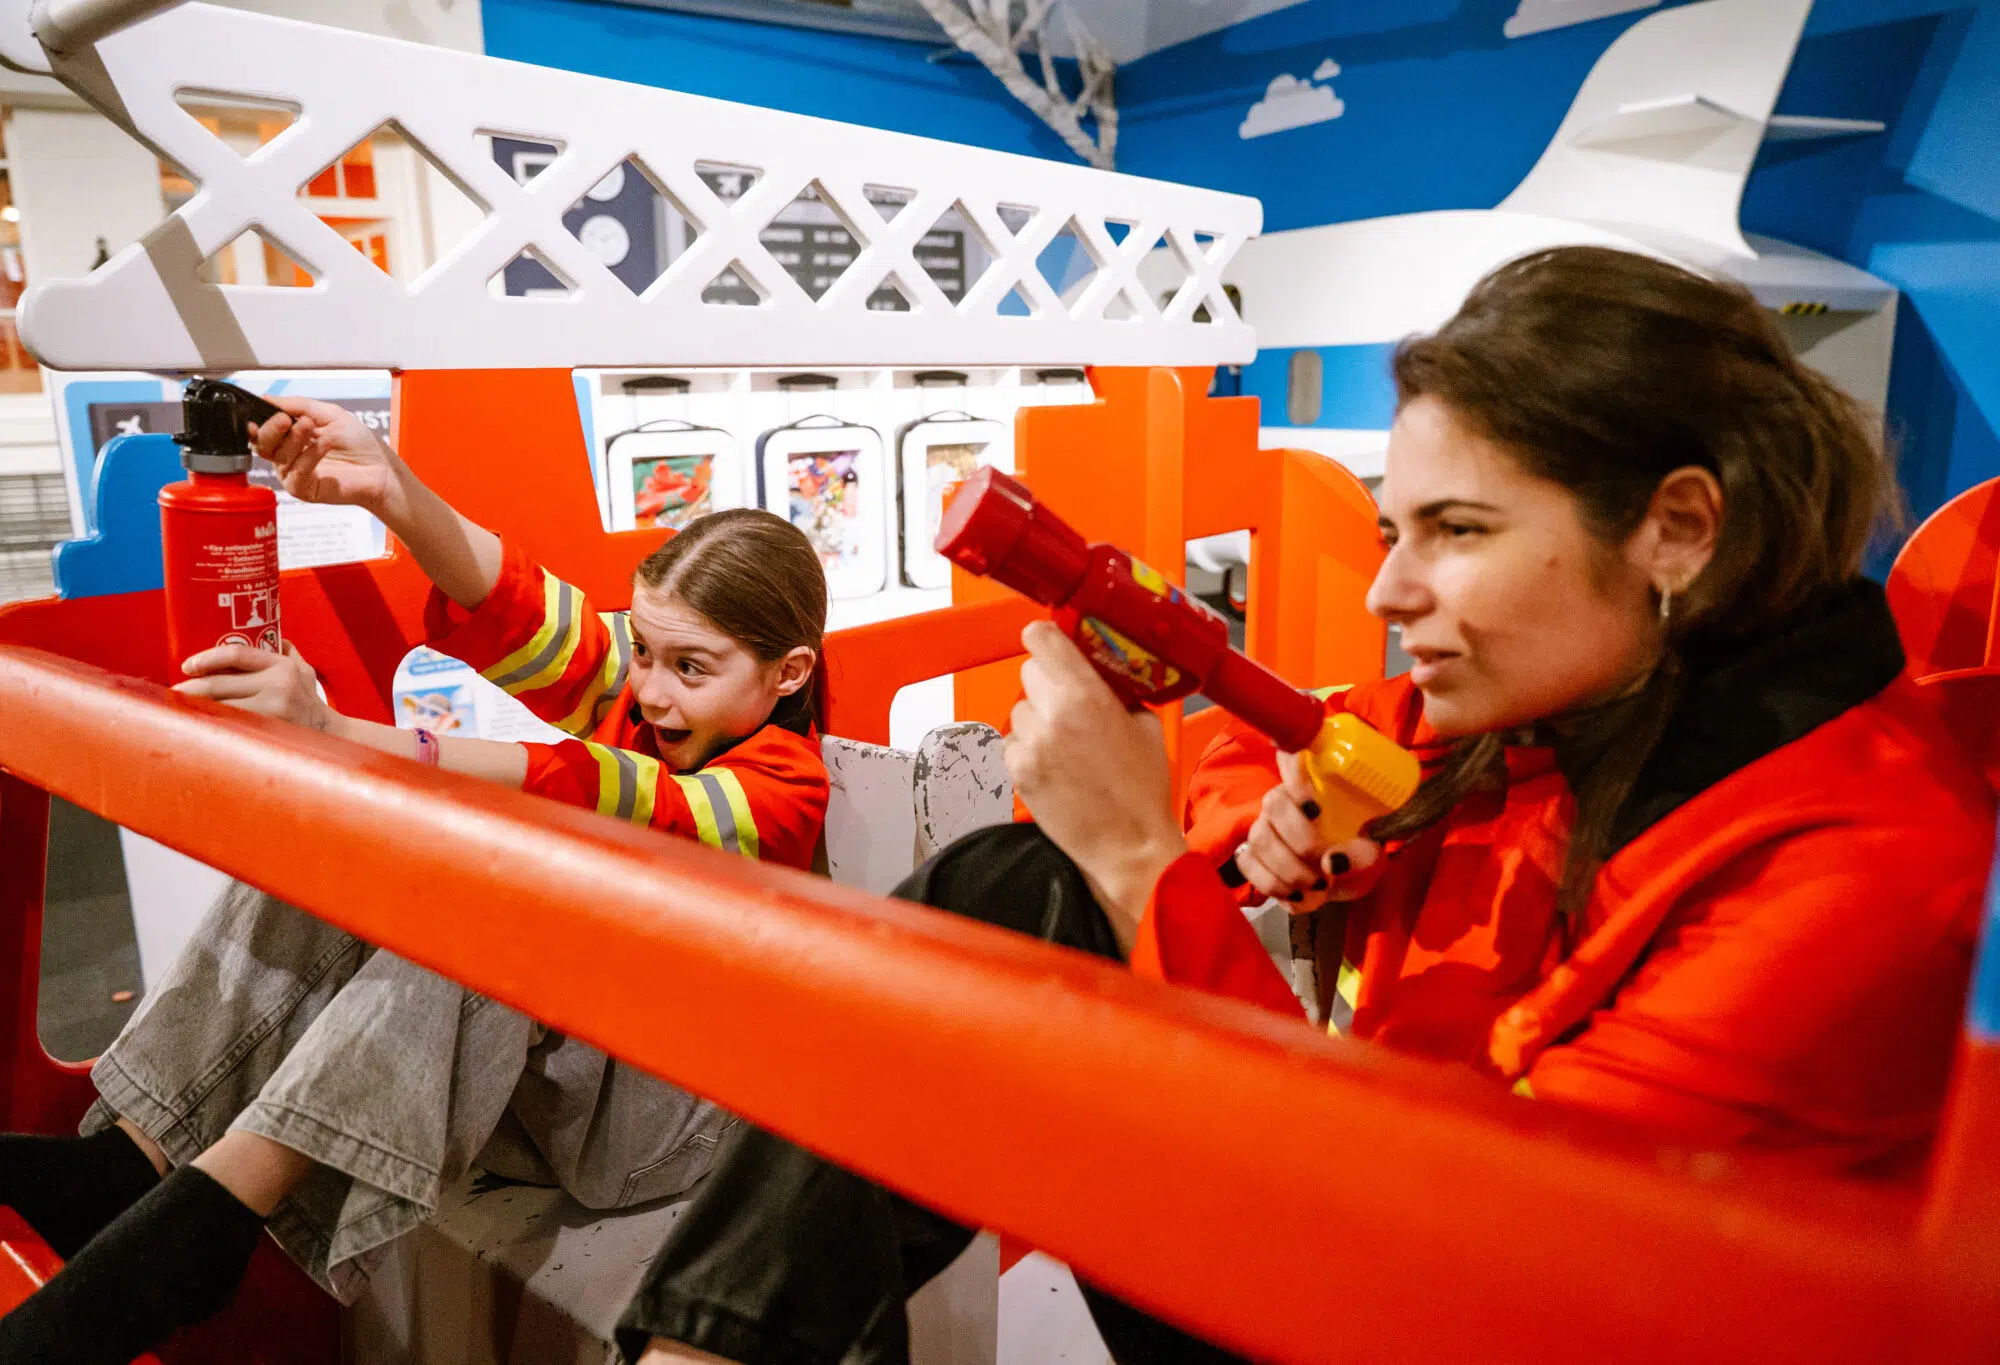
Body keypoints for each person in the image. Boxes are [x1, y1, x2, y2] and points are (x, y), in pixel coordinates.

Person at [614, 246, 1997, 1365]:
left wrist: (1141, 858)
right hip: (1367, 1221)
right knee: (1011, 891)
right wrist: (1258, 828)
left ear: (1679, 530)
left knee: (1027, 894)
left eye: (1457, 532)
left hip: (1432, 1293)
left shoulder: (1867, 869)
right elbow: (1310, 740)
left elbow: (1486, 1277)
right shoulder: (1563, 702)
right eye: (1394, 528)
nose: (1394, 590)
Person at [0, 398, 832, 1364]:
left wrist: (336, 734)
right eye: (645, 654)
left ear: (788, 673)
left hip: (666, 1116)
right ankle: (134, 1156)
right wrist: (391, 486)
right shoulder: (657, 697)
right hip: (558, 1073)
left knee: (495, 875)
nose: (652, 688)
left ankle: (215, 1214)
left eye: (691, 667)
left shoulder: (786, 789)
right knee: (370, 841)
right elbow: (520, 605)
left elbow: (611, 792)